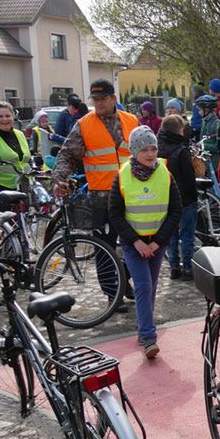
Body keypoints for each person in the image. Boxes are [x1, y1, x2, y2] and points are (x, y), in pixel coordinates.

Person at [52, 79, 141, 313]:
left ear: (113, 99)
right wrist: (59, 178)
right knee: (104, 246)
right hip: (101, 197)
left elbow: (146, 153)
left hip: (131, 194)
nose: (99, 103)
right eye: (95, 100)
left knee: (139, 242)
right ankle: (113, 292)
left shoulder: (131, 121)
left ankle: (122, 277)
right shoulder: (84, 124)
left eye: (103, 99)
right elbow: (67, 155)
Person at [109, 126, 182, 358]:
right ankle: (149, 337)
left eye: (153, 148)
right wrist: (136, 242)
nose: (150, 154)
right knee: (143, 286)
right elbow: (115, 213)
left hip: (157, 243)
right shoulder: (122, 175)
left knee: (150, 287)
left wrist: (158, 242)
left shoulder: (166, 174)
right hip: (134, 244)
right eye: (144, 150)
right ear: (134, 152)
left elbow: (175, 210)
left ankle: (144, 330)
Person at [157, 115, 197, 281]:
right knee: (187, 234)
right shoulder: (181, 151)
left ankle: (174, 267)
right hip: (184, 199)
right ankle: (188, 268)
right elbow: (189, 178)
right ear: (180, 130)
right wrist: (194, 196)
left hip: (166, 199)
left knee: (171, 235)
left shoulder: (158, 149)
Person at [197, 95, 220, 194]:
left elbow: (218, 146)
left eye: (200, 109)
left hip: (215, 162)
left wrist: (202, 145)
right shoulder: (205, 121)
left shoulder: (217, 124)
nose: (199, 112)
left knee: (215, 186)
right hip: (206, 160)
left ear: (207, 109)